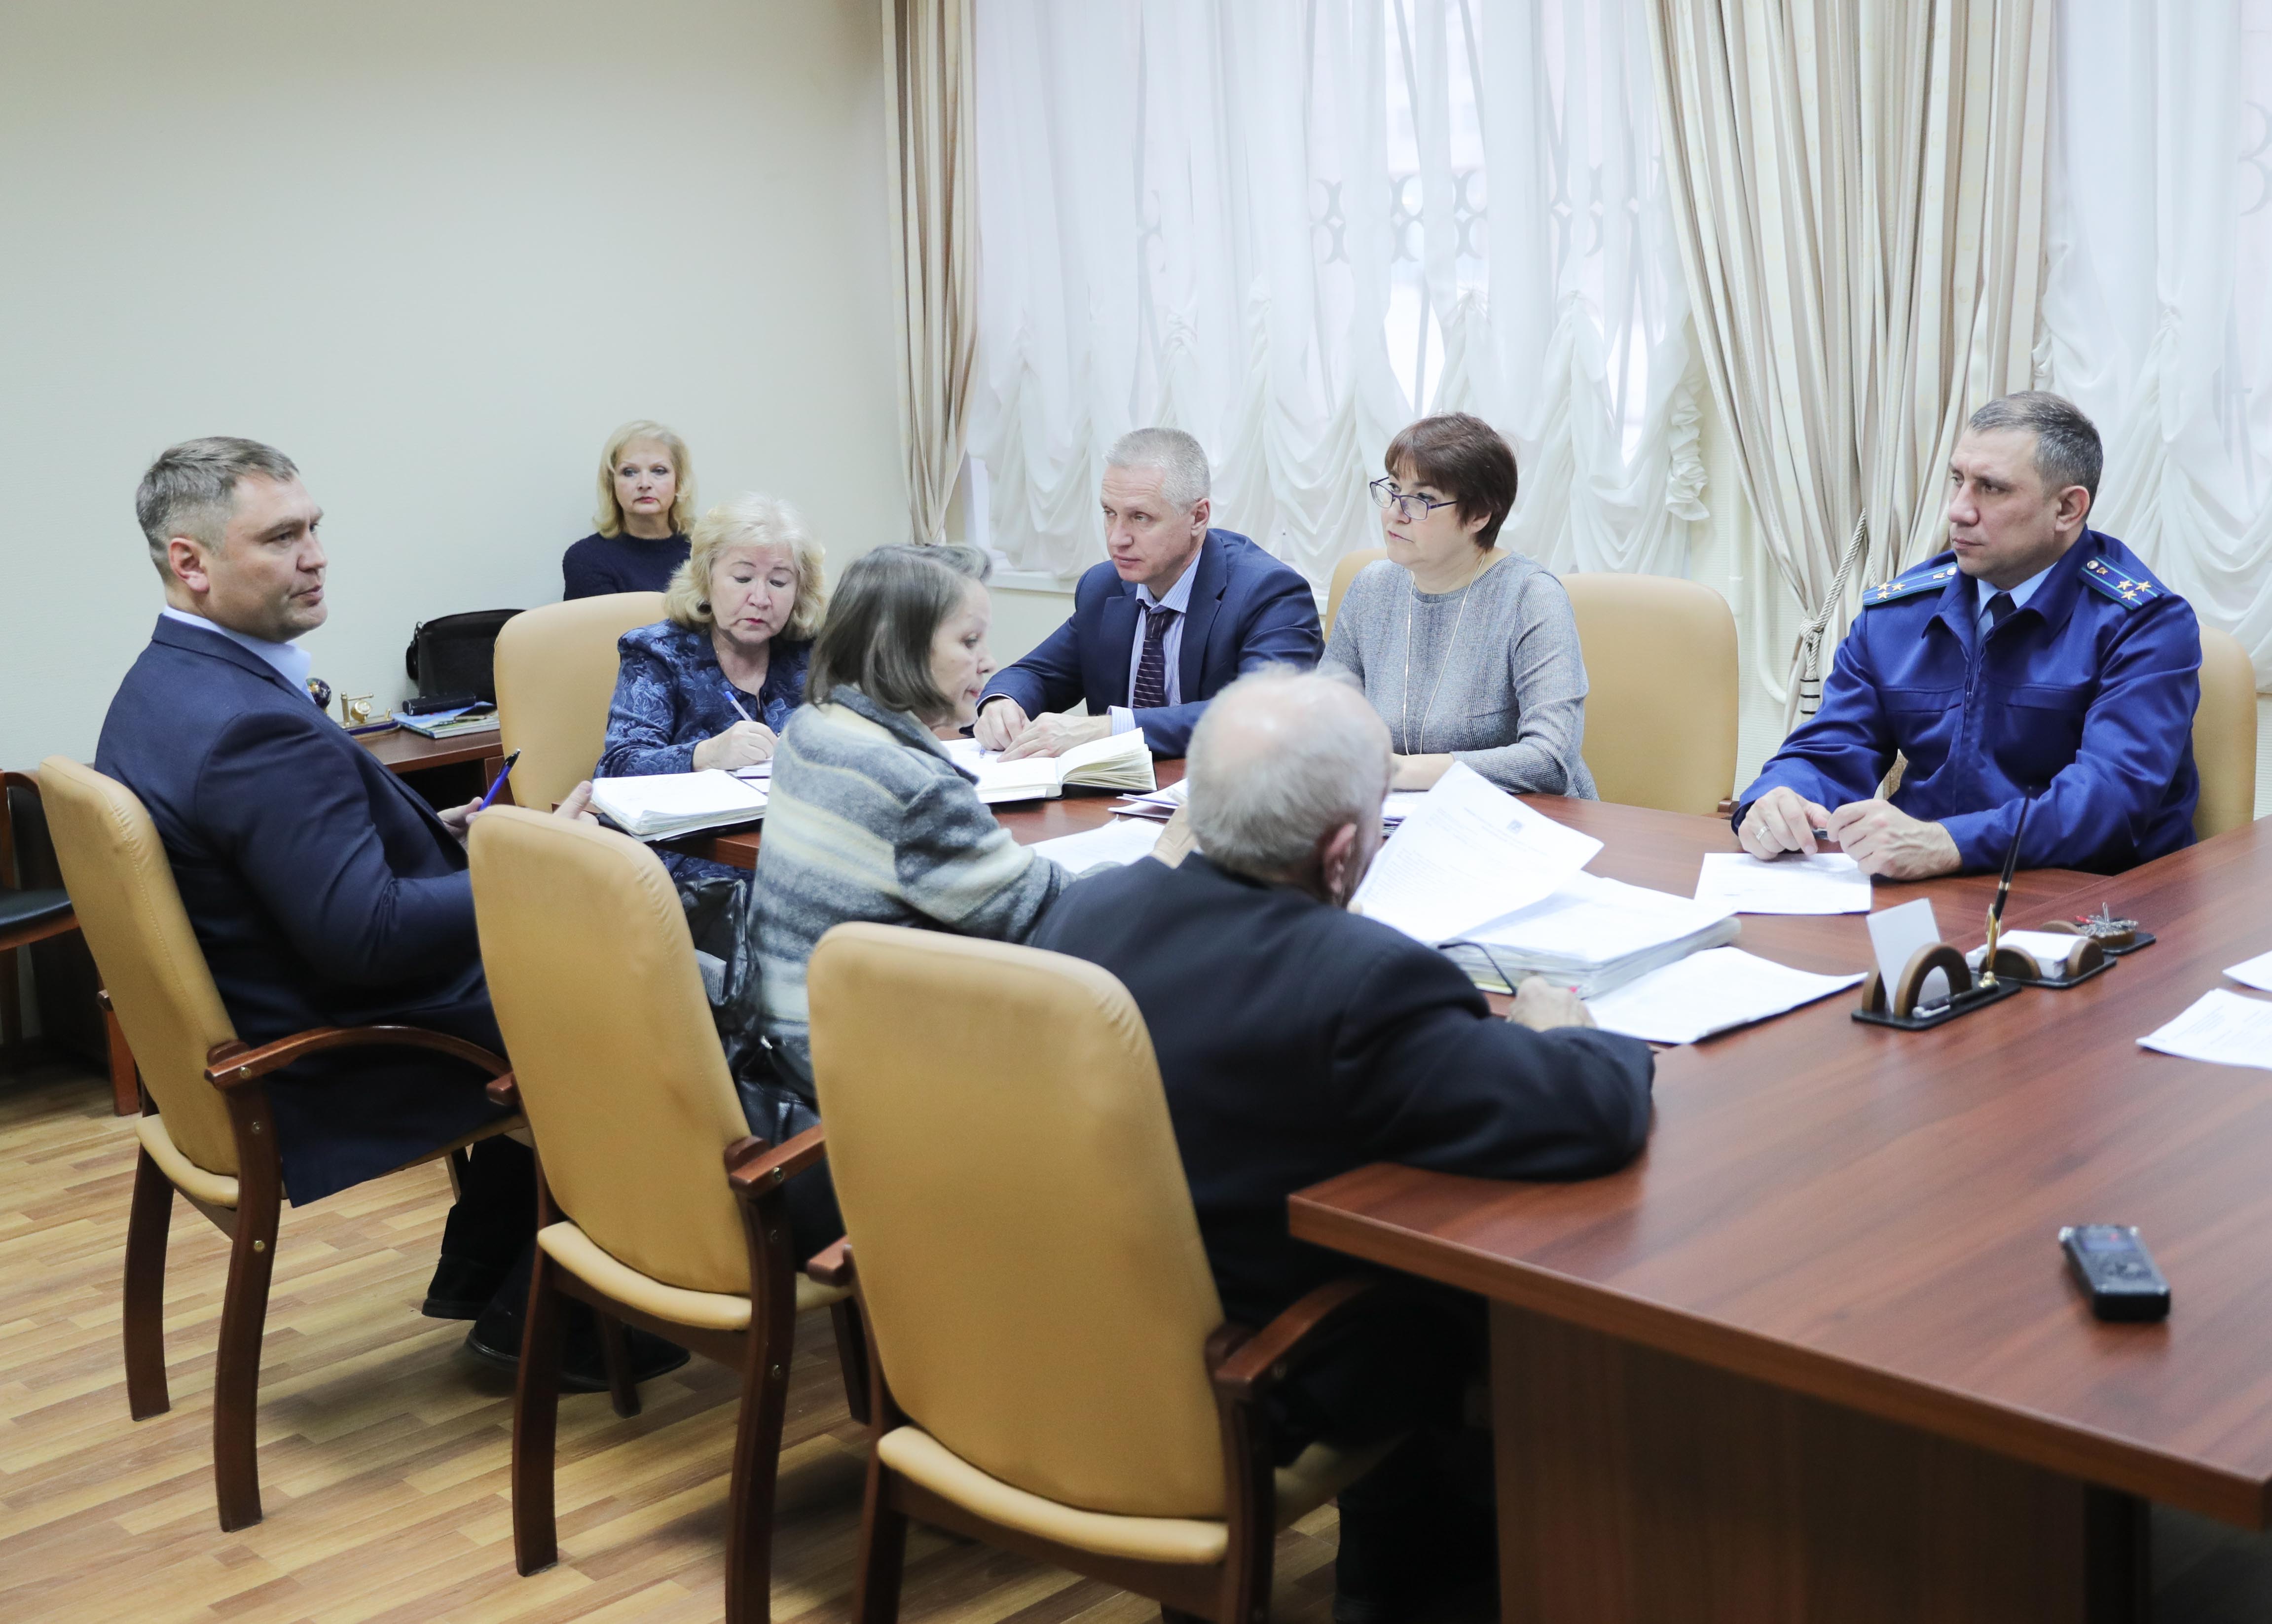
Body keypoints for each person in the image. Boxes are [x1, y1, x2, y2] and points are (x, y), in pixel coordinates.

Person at [1029, 667, 1654, 1624]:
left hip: (1059, 1347)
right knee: (1471, 1298)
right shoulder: (1361, 984)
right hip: (1242, 1377)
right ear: (1341, 854)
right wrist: (1557, 1028)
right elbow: (1590, 1112)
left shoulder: (1083, 912)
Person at [98, 436, 681, 1390]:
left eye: (314, 528)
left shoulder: (163, 684)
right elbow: (366, 937)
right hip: (340, 1055)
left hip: (265, 1014)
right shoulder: (249, 725)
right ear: (190, 562)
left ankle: (487, 1266)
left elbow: (284, 857)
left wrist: (441, 831)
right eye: (281, 538)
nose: (316, 555)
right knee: (661, 993)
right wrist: (539, 862)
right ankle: (560, 1316)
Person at [1734, 392, 2202, 877]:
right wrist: (1778, 799)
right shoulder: (1897, 615)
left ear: (2067, 508)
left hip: (2087, 897)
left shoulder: (2143, 624)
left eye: (1991, 488)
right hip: (1929, 886)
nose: (1958, 510)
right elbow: (1833, 747)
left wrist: (1948, 842)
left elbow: (2108, 801)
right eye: (1958, 480)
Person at [748, 544, 1073, 1243]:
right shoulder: (912, 785)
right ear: (898, 647)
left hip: (787, 1045)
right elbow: (1045, 912)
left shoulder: (813, 725)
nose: (989, 661)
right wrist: (1164, 864)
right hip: (861, 1079)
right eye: (969, 641)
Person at [974, 428, 1321, 759]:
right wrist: (1003, 702)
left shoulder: (1269, 593)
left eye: (1140, 518)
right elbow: (1036, 674)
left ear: (1198, 517)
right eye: (1110, 513)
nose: (1117, 539)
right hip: (1112, 792)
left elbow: (1262, 715)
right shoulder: (1103, 586)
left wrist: (1111, 729)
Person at [1323, 412, 1597, 796]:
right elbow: (1321, 721)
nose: (1395, 513)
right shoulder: (1371, 587)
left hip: (1517, 817)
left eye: (1423, 499)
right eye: (1394, 488)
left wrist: (1398, 771)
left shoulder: (1531, 597)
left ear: (1479, 515)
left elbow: (1550, 759)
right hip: (1395, 811)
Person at [598, 492, 824, 884]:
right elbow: (618, 767)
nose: (760, 598)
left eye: (778, 582)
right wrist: (707, 754)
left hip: (801, 843)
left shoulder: (812, 651)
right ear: (707, 578)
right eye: (742, 578)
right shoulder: (657, 652)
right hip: (697, 859)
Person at [561, 419, 696, 598]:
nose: (644, 484)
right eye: (629, 472)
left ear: (679, 482)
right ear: (612, 484)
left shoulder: (704, 554)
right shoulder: (586, 558)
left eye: (659, 471)